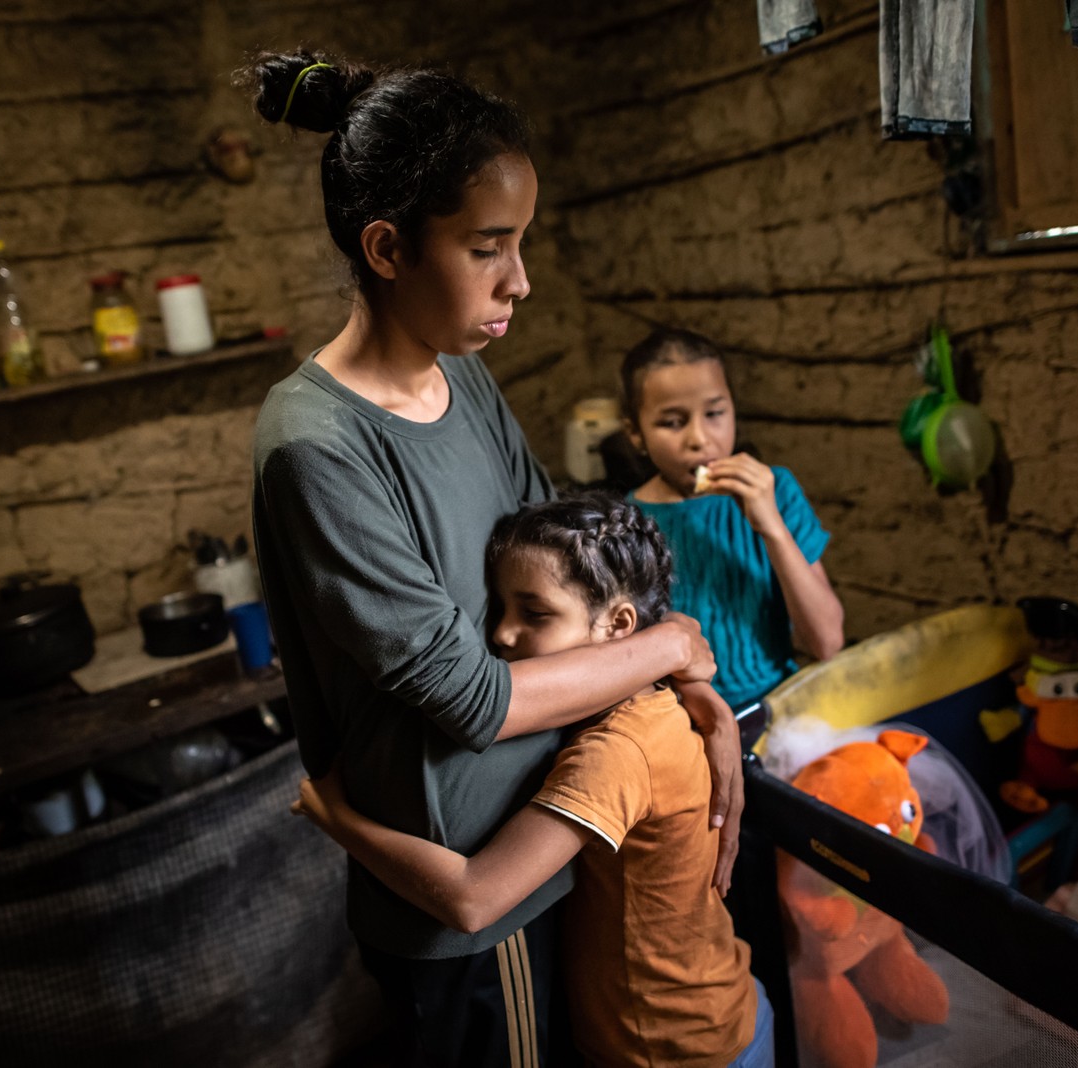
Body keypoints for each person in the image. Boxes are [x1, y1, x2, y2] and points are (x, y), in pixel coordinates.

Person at [242, 53, 743, 1067]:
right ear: (388, 247)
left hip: (539, 839)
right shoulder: (319, 448)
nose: (520, 279)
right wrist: (675, 646)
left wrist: (696, 693)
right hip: (469, 893)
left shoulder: (458, 377)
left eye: (519, 242)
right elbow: (472, 698)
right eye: (487, 248)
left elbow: (564, 561)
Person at [293, 493, 775, 1068]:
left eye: (535, 613)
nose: (501, 634)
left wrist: (337, 818)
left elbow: (474, 898)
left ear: (620, 626)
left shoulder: (618, 751)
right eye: (499, 608)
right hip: (716, 1010)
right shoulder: (651, 699)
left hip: (674, 1047)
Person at [622, 328, 844, 711]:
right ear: (636, 433)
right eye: (673, 422)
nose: (700, 438)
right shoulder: (625, 525)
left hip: (775, 708)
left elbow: (827, 642)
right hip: (676, 725)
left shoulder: (777, 492)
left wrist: (770, 525)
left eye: (714, 414)